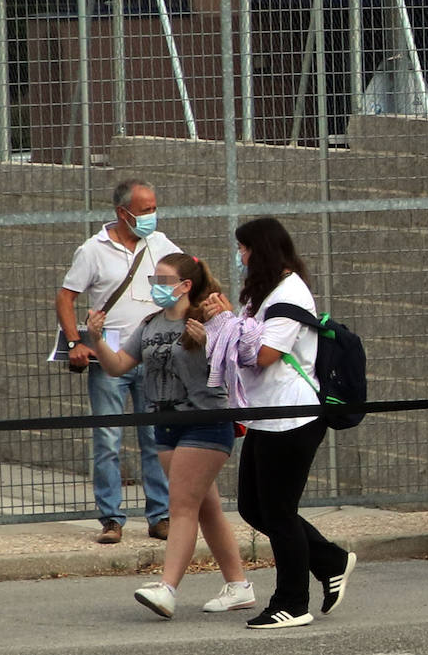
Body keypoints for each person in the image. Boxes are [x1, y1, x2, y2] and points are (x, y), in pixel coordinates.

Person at [201, 217, 356, 629]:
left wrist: (228, 325)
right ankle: (330, 559)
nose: (240, 256)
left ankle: (292, 602)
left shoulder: (291, 294)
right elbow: (243, 342)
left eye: (244, 249)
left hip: (294, 415)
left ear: (262, 250)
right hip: (265, 415)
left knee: (280, 512)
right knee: (254, 507)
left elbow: (264, 353)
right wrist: (221, 326)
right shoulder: (263, 293)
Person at [86, 253, 255, 619]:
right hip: (164, 423)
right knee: (205, 508)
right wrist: (96, 339)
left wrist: (210, 338)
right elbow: (117, 367)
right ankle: (239, 585)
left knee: (180, 506)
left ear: (185, 285)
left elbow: (234, 363)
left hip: (205, 421)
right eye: (154, 280)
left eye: (164, 280)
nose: (156, 287)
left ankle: (168, 587)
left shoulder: (206, 318)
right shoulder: (149, 324)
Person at [55, 178, 174, 545]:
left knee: (154, 436)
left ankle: (161, 515)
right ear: (123, 213)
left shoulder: (160, 243)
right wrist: (76, 340)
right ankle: (111, 518)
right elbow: (65, 297)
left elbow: (187, 275)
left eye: (154, 208)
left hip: (151, 352)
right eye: (145, 210)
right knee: (108, 439)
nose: (152, 216)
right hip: (109, 352)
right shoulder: (93, 249)